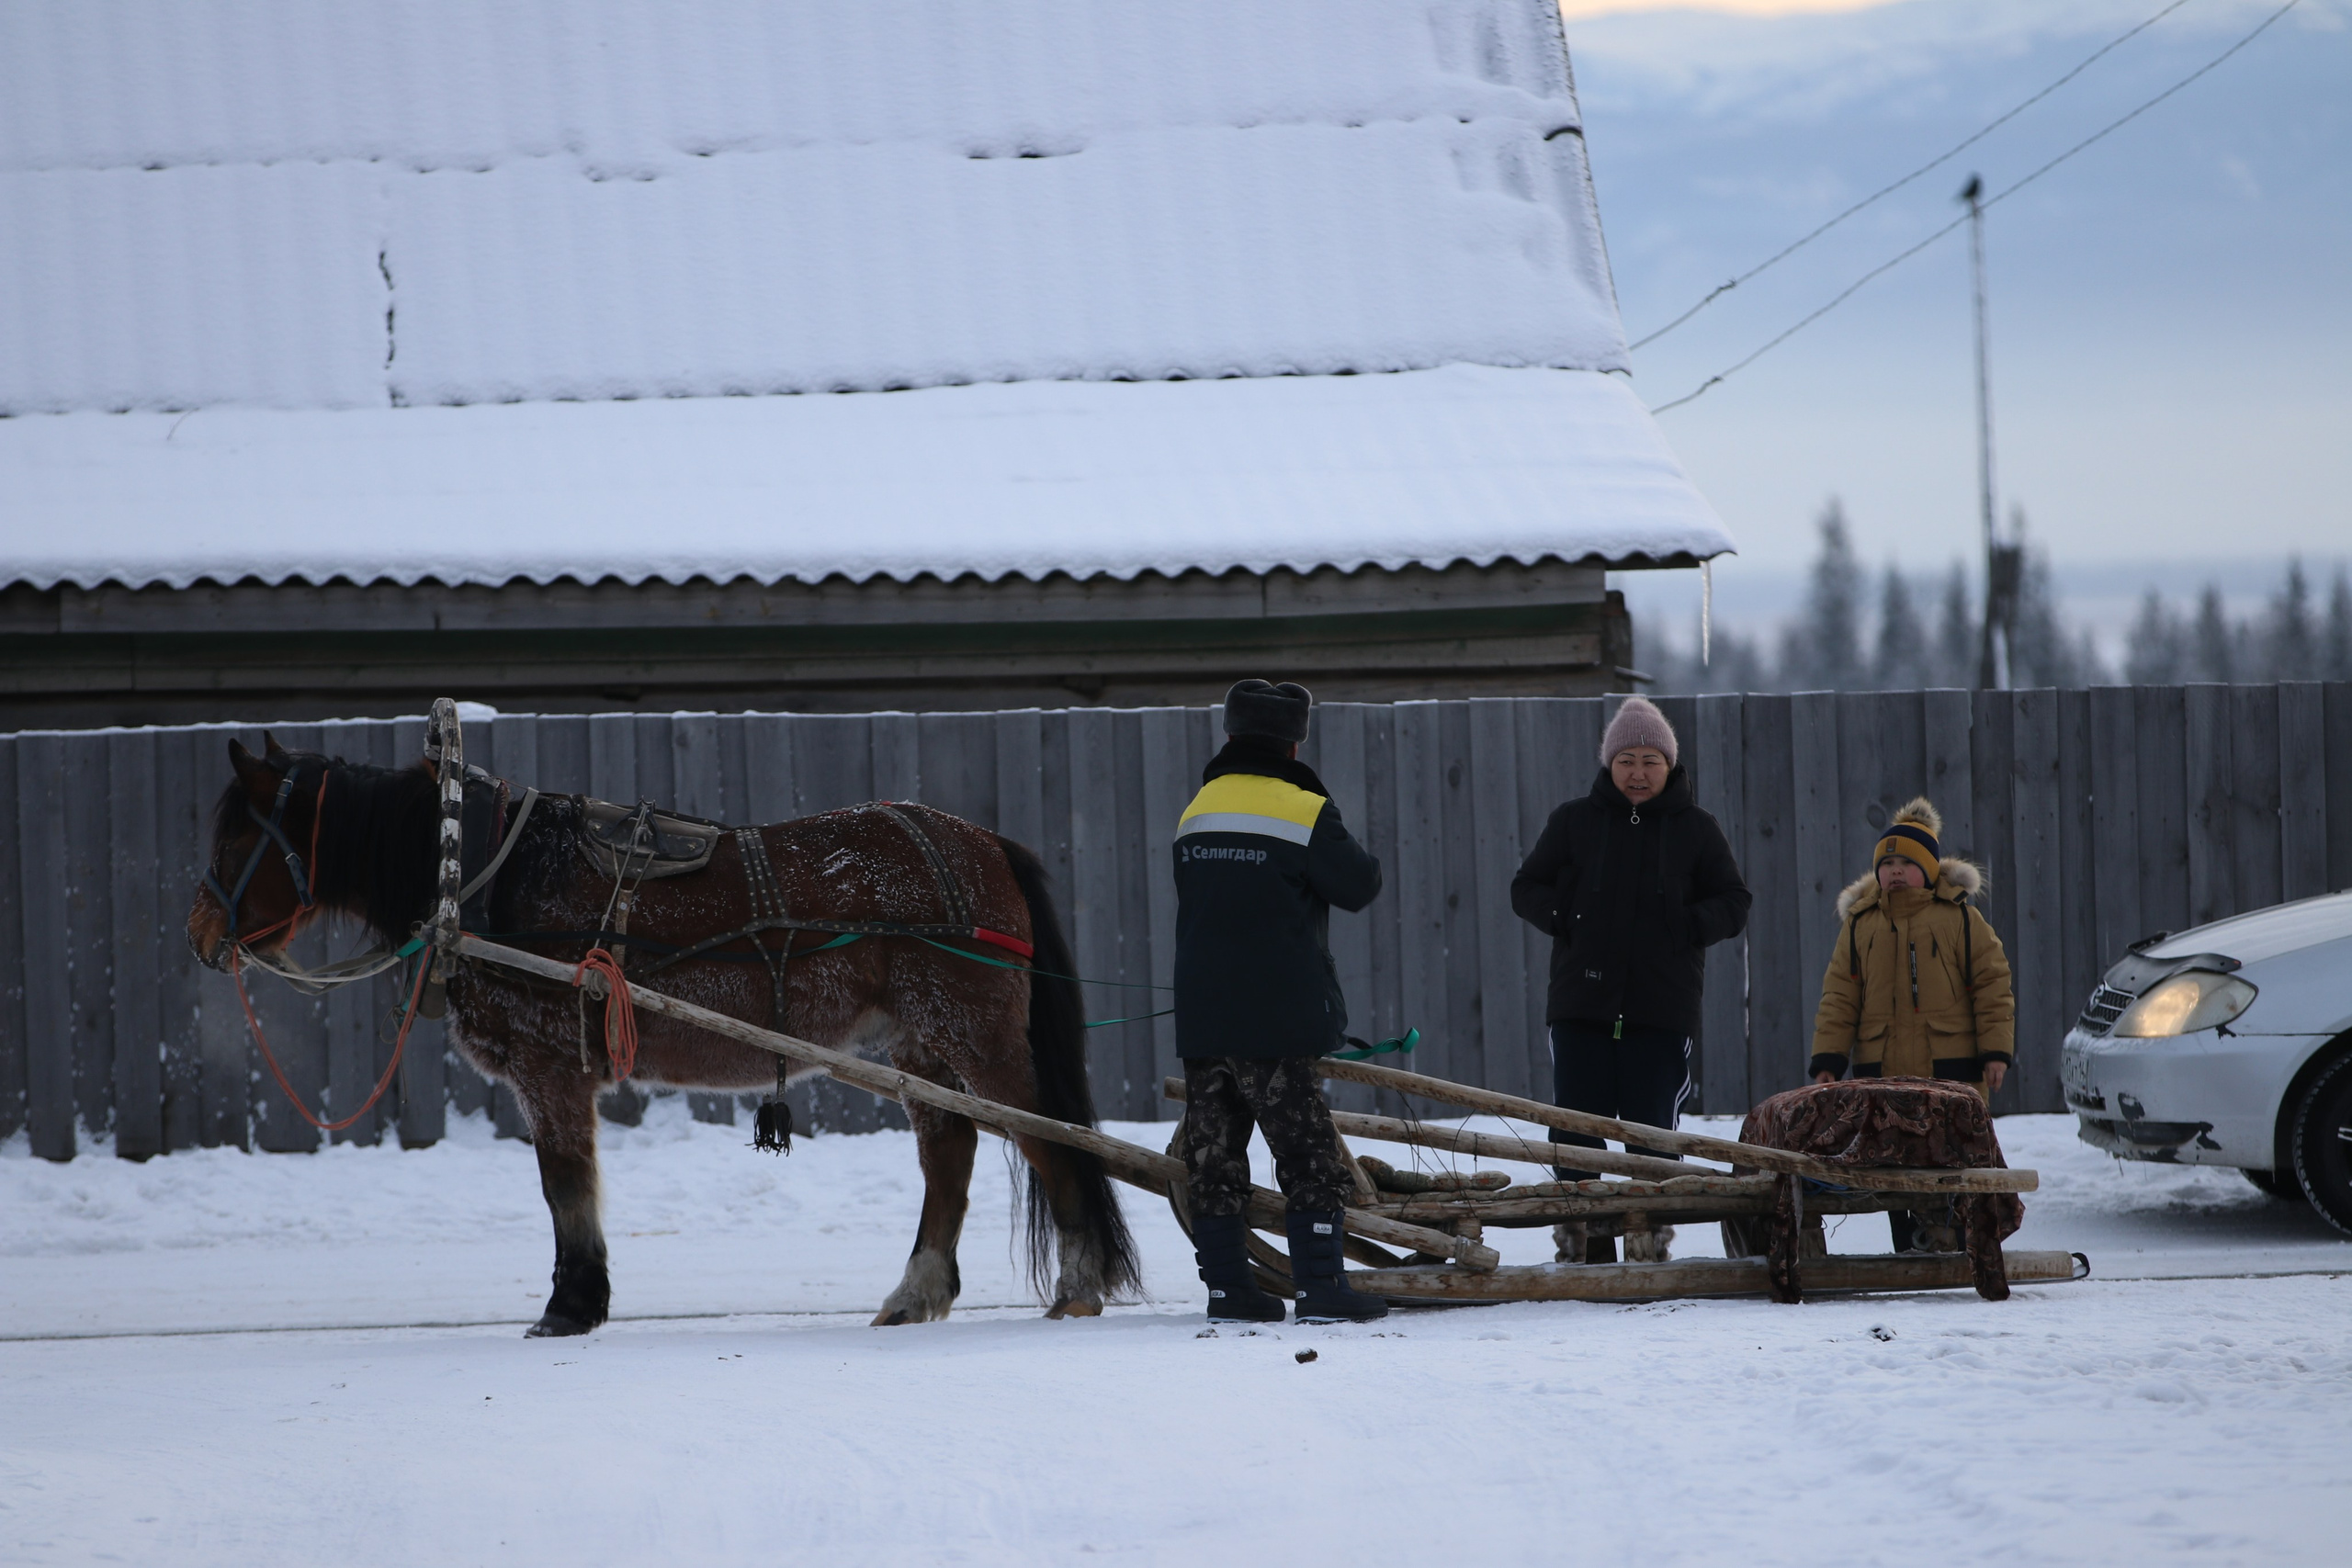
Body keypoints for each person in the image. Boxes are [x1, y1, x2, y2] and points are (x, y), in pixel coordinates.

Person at [1174, 679, 1389, 1324]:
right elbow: (1359, 885)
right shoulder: (1302, 809)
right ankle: (1321, 1287)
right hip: (1276, 1015)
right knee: (1308, 1154)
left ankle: (1226, 1291)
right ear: (1294, 743)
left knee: (1212, 1156)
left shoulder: (1199, 806)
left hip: (1203, 1013)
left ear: (1231, 734)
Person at [1510, 696, 1751, 1264]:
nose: (1637, 773)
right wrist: (1564, 915)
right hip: (1581, 1003)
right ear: (1609, 764)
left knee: (1651, 1132)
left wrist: (1687, 925)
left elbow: (1734, 901)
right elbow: (1527, 887)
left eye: (1650, 761)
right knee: (1576, 1126)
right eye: (1626, 761)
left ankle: (1648, 1243)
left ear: (1669, 765)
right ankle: (1585, 1246)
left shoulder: (1696, 828)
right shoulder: (1574, 821)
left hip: (1660, 1008)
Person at [1808, 796, 2016, 1252]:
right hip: (1882, 1069)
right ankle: (1908, 1243)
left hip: (1951, 1068)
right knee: (1892, 1159)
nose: (1896, 872)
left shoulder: (1959, 918)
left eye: (1907, 864)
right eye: (1887, 864)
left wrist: (1995, 1052)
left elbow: (1992, 984)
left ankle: (1956, 1238)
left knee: (1952, 1155)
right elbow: (1840, 995)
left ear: (1929, 869)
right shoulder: (1861, 926)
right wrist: (1829, 1058)